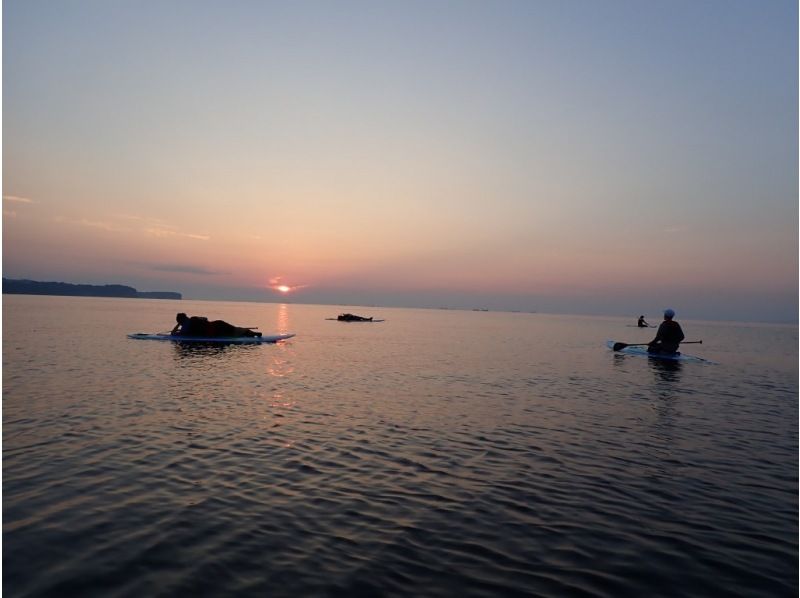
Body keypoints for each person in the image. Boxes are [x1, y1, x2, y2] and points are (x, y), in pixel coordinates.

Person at [170, 313, 261, 337]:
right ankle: (253, 334)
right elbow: (205, 319)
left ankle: (252, 334)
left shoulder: (186, 328)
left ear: (180, 321)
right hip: (217, 323)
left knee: (233, 332)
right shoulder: (193, 318)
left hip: (215, 330)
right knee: (235, 329)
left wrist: (178, 325)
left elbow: (173, 334)